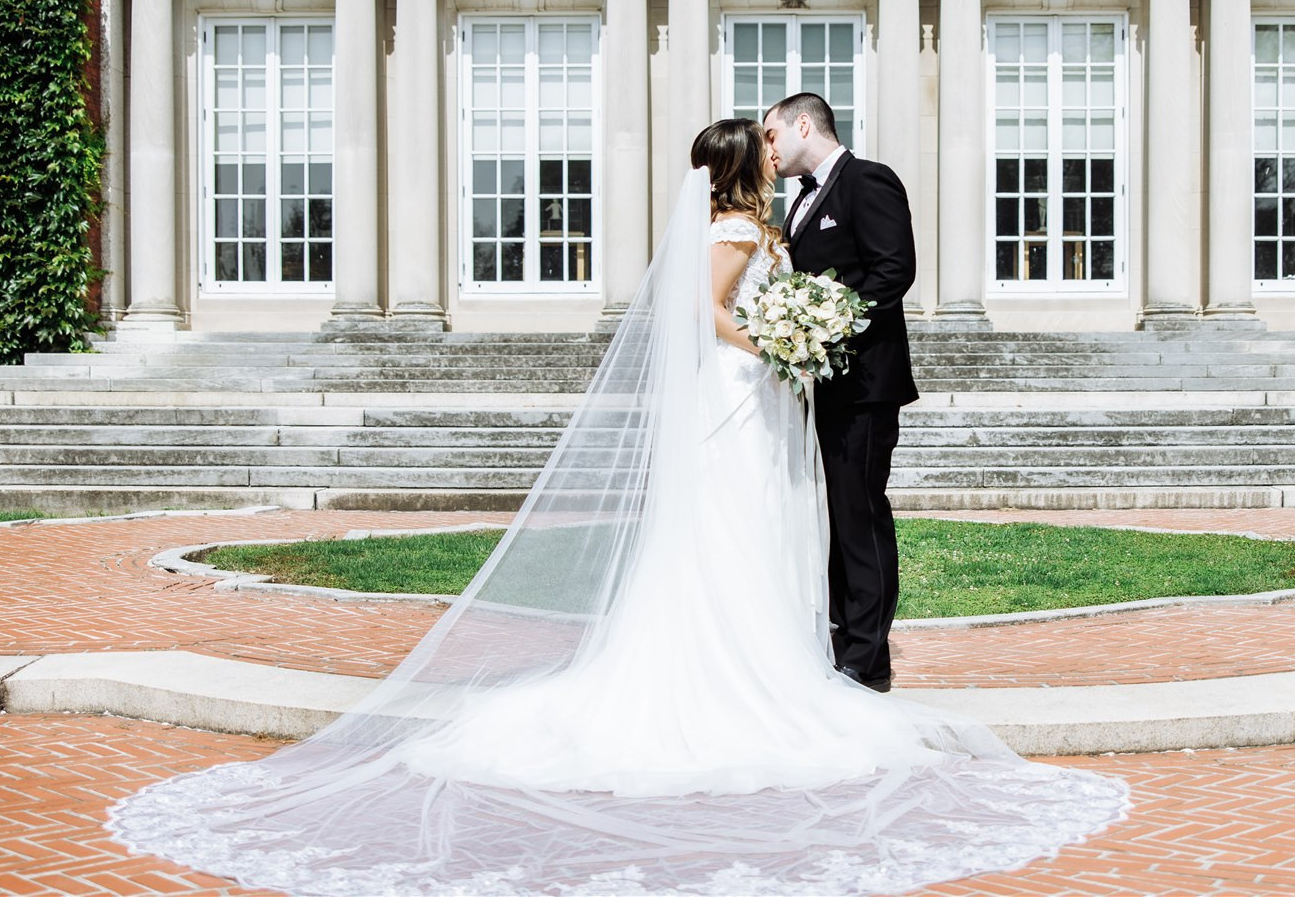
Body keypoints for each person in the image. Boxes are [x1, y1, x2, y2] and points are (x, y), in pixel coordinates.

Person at [108, 119, 1125, 896]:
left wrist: (790, 334)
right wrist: (772, 342)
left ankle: (799, 654)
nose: (774, 154)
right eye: (760, 145)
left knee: (772, 528)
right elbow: (709, 315)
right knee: (730, 532)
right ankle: (749, 671)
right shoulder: (733, 227)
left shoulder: (770, 216)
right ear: (742, 165)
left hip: (769, 394)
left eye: (776, 137)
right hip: (740, 391)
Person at [761, 92, 914, 693]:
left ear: (804, 125)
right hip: (823, 386)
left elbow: (892, 271)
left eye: (772, 134)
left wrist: (827, 326)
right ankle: (839, 633)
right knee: (834, 517)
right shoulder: (798, 203)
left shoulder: (869, 181)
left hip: (867, 385)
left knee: (860, 514)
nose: (767, 149)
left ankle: (867, 661)